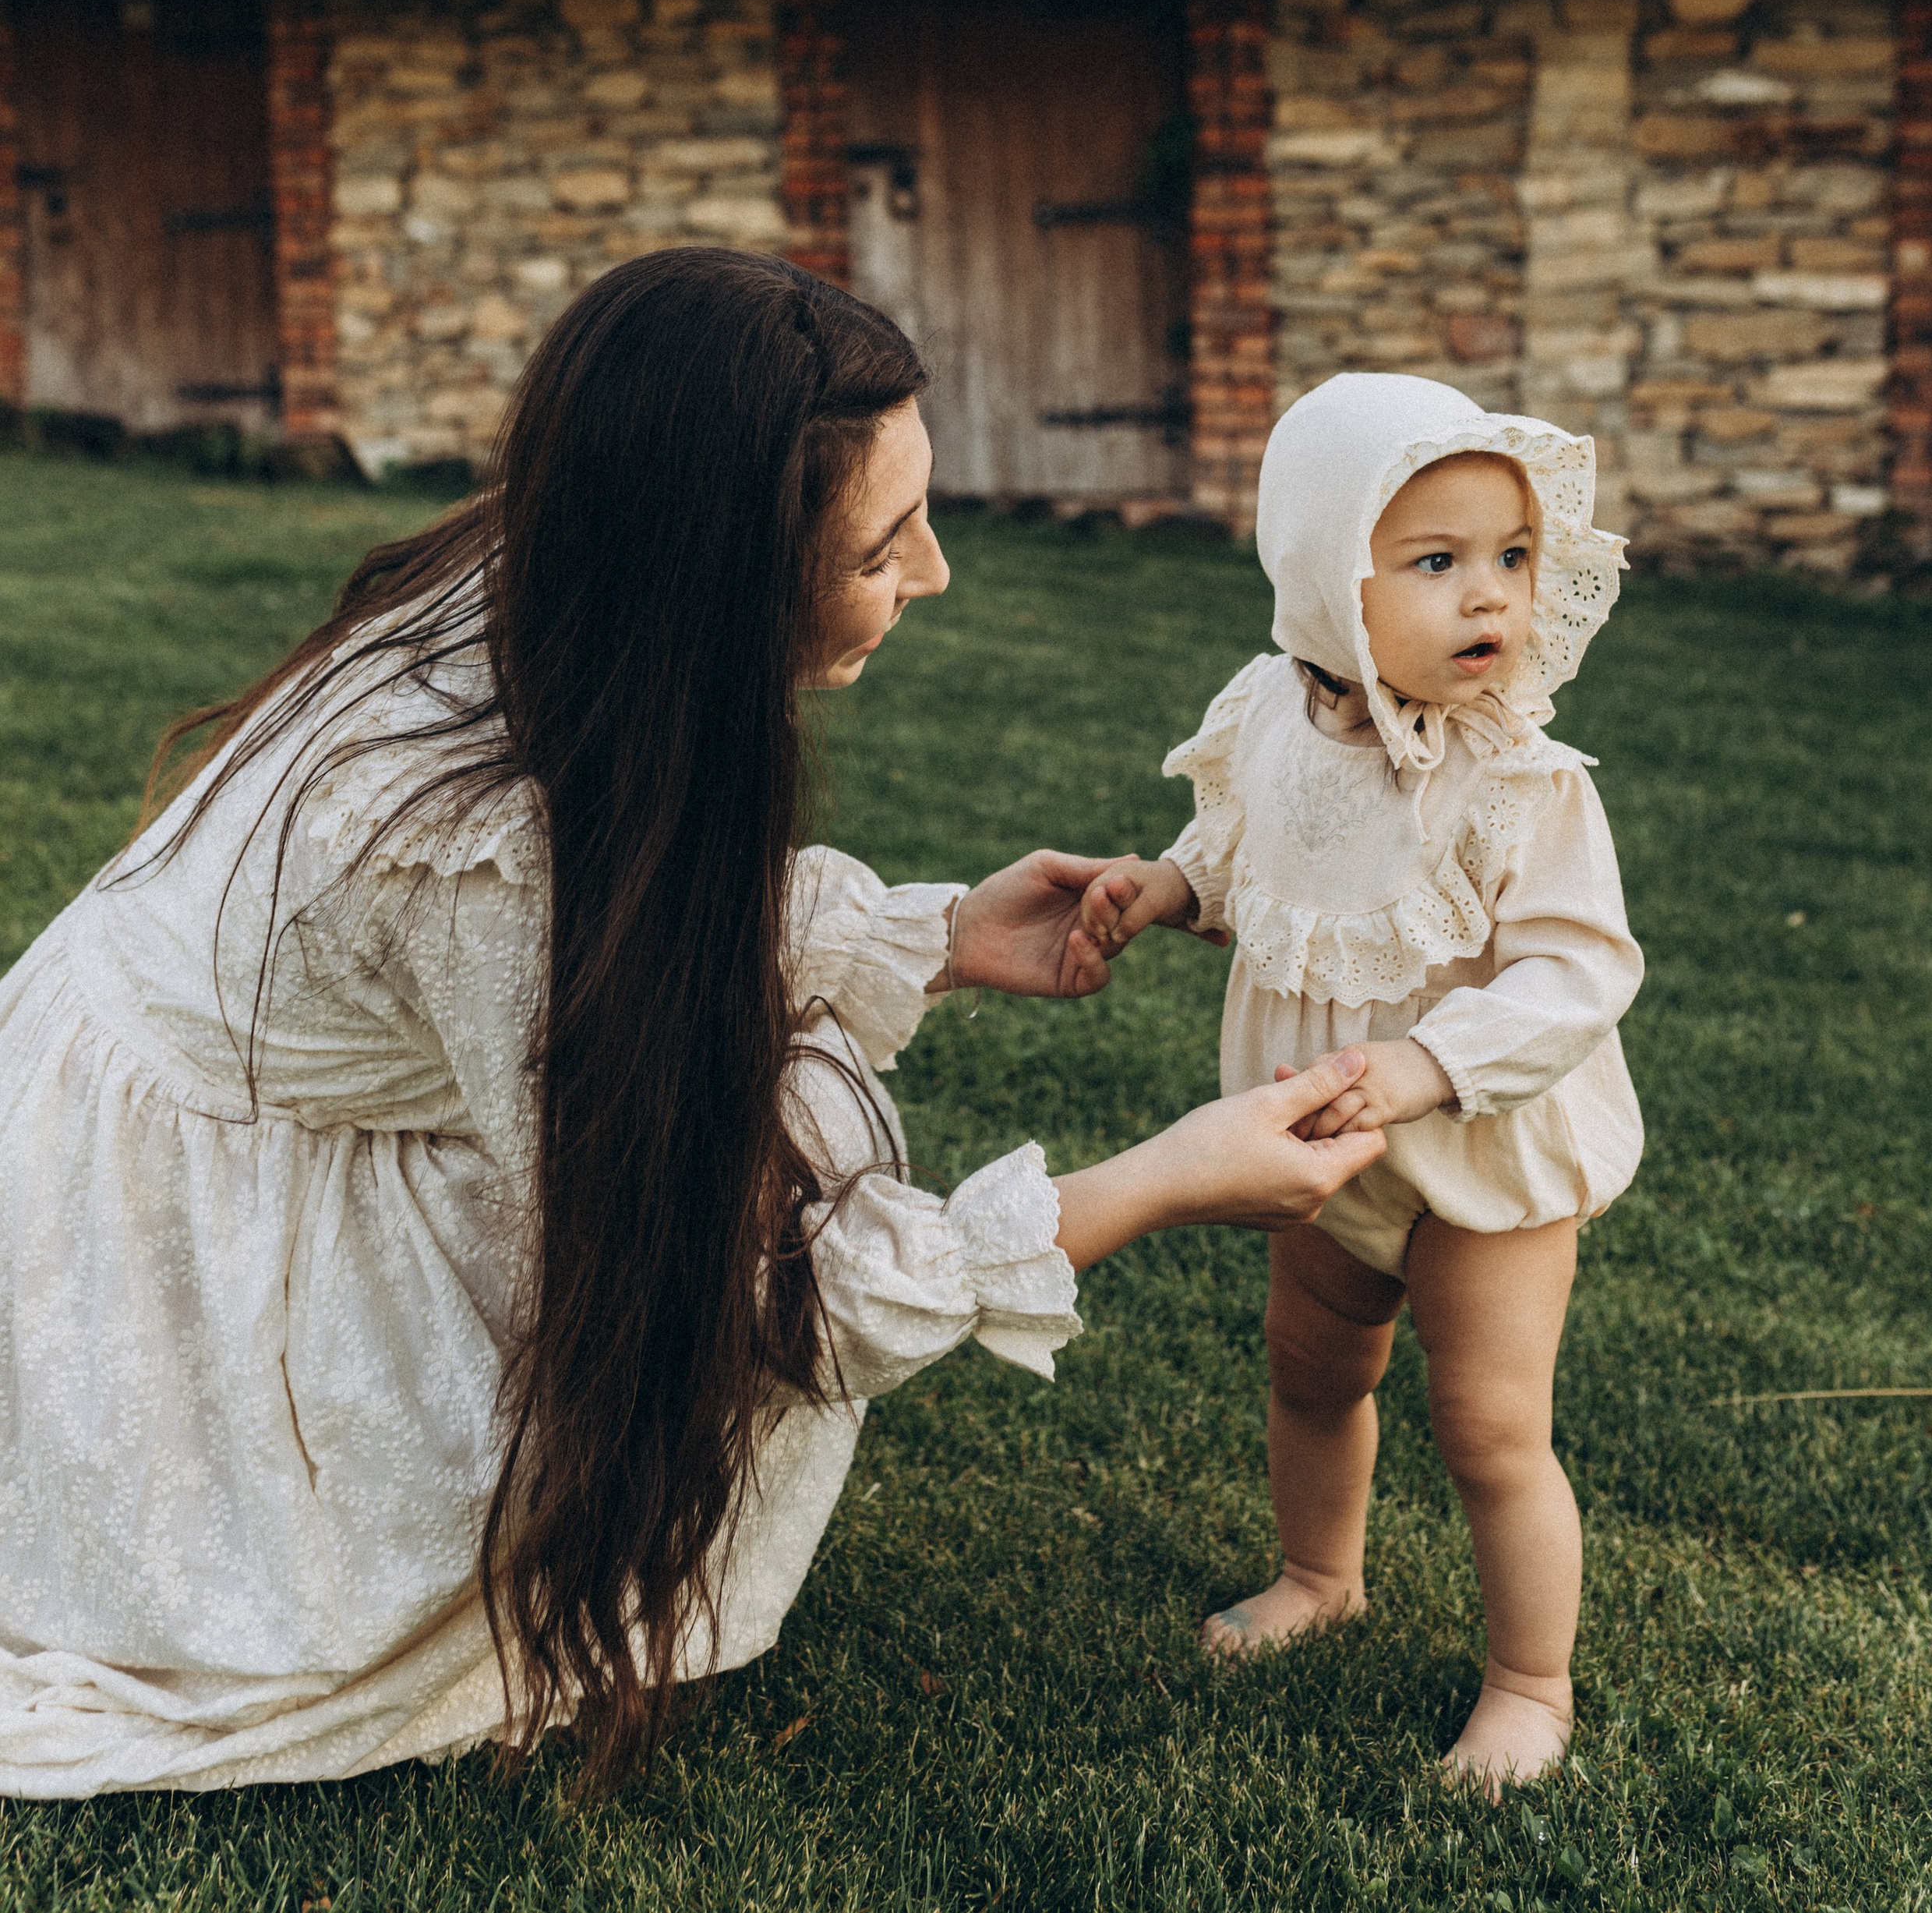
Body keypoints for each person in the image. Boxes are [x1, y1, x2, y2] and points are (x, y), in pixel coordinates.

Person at [0, 249, 1384, 1800]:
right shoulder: (478, 848)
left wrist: (926, 934)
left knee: (766, 1093)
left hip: (279, 1041)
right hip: (155, 1173)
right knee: (748, 1172)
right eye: (884, 541)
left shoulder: (569, 577)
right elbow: (758, 1298)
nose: (933, 574)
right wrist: (1168, 1177)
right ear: (718, 570)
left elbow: (632, 893)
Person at [1076, 370, 1644, 1790]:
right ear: (1330, 582)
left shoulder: (1525, 779)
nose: (1490, 598)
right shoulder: (1273, 714)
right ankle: (1320, 1573)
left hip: (1482, 1161)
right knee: (1313, 1368)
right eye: (1438, 561)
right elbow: (1250, 858)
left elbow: (1582, 976)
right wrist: (1163, 887)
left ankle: (1529, 1678)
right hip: (1320, 1150)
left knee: (1491, 1425)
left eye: (1512, 559)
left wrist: (1425, 1060)